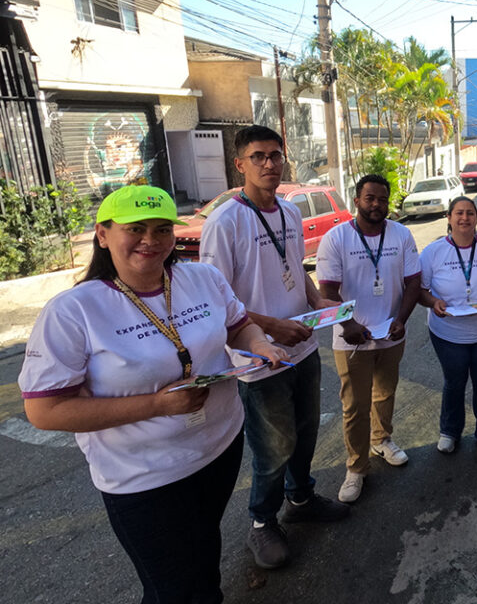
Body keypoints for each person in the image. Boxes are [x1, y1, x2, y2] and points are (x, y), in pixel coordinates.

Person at [19, 185, 291, 603]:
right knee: (176, 589)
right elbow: (45, 410)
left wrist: (259, 344)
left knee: (202, 559)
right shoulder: (73, 311)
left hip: (218, 450)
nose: (151, 240)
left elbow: (238, 324)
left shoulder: (202, 278)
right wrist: (156, 405)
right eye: (137, 228)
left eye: (163, 229)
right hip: (144, 478)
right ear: (103, 234)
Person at [200, 125, 349, 572]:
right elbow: (216, 297)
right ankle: (262, 522)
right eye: (259, 156)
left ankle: (300, 497)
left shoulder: (288, 210)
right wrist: (270, 328)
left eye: (276, 155)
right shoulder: (225, 222)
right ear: (239, 164)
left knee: (305, 433)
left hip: (301, 345)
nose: (270, 164)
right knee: (274, 446)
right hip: (259, 357)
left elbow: (293, 266)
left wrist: (315, 300)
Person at [316, 174, 421, 503]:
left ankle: (382, 440)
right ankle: (356, 467)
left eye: (382, 199)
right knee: (355, 406)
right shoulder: (336, 239)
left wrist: (401, 319)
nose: (376, 205)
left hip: (391, 333)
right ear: (357, 200)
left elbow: (413, 282)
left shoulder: (401, 234)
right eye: (370, 198)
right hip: (351, 340)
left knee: (385, 393)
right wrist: (349, 326)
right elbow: (328, 292)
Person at [418, 196, 477, 454]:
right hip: (448, 332)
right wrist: (434, 302)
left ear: (476, 218)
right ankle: (449, 431)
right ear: (448, 218)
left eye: (470, 213)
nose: (464, 218)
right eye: (459, 213)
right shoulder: (433, 252)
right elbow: (421, 290)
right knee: (454, 382)